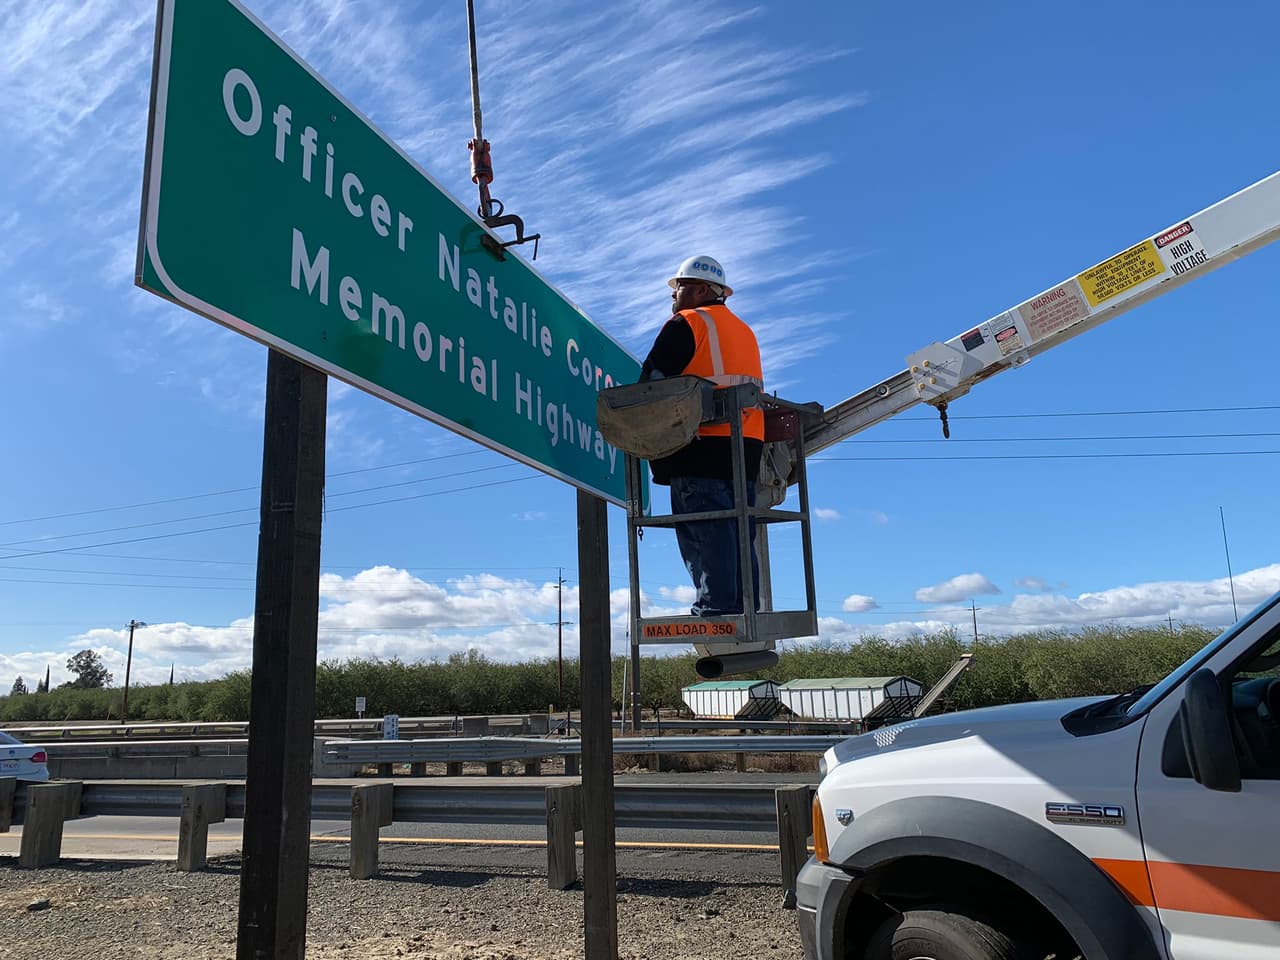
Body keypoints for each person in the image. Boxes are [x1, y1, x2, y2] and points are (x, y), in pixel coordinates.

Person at [639, 255, 764, 617]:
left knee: (707, 533)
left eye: (678, 287)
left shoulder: (688, 323)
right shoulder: (745, 331)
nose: (674, 295)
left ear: (697, 290)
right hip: (747, 450)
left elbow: (650, 387)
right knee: (739, 532)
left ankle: (714, 609)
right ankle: (744, 609)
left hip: (700, 445)